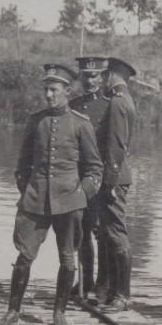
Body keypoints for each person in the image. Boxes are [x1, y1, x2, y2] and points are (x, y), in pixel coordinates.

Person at [0, 63, 102, 325]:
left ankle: (59, 313)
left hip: (69, 202)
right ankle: (13, 311)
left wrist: (81, 195)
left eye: (54, 90)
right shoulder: (36, 121)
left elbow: (94, 169)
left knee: (68, 259)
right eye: (46, 90)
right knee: (24, 257)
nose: (49, 95)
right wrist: (27, 190)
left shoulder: (81, 124)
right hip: (35, 200)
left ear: (67, 91)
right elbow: (22, 166)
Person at [97, 58, 138, 311]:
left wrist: (110, 181)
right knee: (109, 232)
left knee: (115, 233)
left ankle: (122, 295)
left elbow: (116, 145)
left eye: (104, 76)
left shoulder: (117, 103)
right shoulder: (125, 100)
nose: (102, 80)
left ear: (112, 76)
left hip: (114, 177)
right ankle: (113, 291)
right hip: (116, 175)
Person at [69, 57, 111, 300]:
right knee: (81, 230)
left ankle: (104, 282)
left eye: (94, 76)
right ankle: (85, 281)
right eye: (85, 76)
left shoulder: (109, 107)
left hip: (101, 178)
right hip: (78, 178)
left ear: (102, 78)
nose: (89, 81)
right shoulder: (72, 106)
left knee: (102, 232)